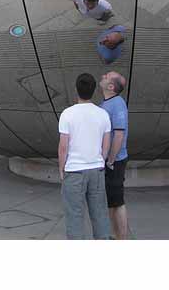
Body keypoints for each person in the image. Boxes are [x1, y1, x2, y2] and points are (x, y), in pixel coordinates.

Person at [58, 73, 113, 240]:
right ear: (94, 90)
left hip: (74, 171)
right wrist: (100, 161)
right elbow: (106, 144)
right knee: (100, 214)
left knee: (74, 216)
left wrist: (61, 168)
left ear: (76, 89)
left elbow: (63, 146)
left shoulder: (67, 114)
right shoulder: (102, 114)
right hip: (96, 170)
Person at [99, 71, 131, 240]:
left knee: (117, 201)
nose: (103, 76)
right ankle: (115, 235)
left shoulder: (117, 104)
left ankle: (122, 239)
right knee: (111, 201)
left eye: (107, 76)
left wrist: (110, 159)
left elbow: (119, 134)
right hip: (109, 161)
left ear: (111, 86)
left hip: (115, 161)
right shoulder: (106, 103)